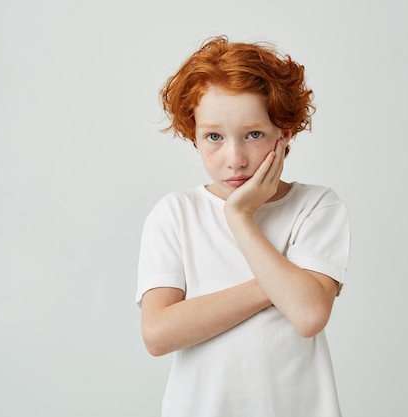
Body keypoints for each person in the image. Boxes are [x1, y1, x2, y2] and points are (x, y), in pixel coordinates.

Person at [136, 35, 351, 417]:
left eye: (253, 135)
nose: (234, 159)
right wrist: (276, 285)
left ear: (284, 134)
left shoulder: (316, 206)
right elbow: (157, 334)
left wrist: (240, 217)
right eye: (214, 137)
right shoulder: (175, 214)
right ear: (194, 137)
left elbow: (308, 315)